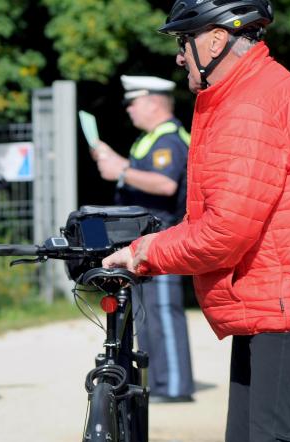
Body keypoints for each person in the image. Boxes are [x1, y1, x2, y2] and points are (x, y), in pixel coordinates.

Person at [102, 1, 290, 442]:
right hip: (265, 298)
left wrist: (145, 252)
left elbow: (225, 231)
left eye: (184, 41)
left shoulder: (253, 103)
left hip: (282, 298)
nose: (179, 56)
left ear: (215, 40)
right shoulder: (242, 93)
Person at [91, 75, 195, 403]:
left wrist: (121, 170)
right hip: (144, 239)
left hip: (162, 237)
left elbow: (165, 184)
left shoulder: (169, 139)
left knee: (162, 311)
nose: (128, 109)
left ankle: (175, 386)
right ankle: (159, 384)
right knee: (146, 316)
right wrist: (116, 162)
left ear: (152, 103)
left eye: (132, 102)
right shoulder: (149, 140)